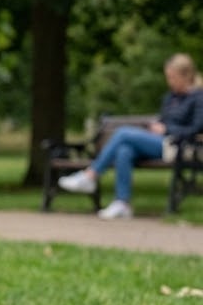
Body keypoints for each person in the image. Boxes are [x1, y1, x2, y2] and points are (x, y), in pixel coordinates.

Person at [58, 52, 203, 219]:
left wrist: (167, 129)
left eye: (172, 77)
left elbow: (197, 128)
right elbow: (164, 120)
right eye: (168, 77)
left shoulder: (199, 97)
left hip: (179, 146)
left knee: (123, 133)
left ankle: (90, 175)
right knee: (124, 150)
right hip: (161, 143)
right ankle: (122, 203)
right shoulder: (171, 97)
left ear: (186, 75)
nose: (169, 81)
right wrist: (156, 127)